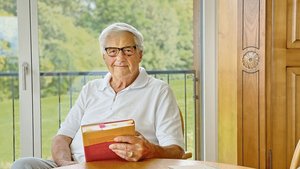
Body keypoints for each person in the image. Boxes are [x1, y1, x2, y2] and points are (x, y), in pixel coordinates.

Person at [11, 22, 184, 169]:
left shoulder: (159, 91)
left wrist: (150, 150)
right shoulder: (91, 89)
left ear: (140, 54)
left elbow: (177, 151)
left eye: (128, 50)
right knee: (24, 164)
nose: (120, 58)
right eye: (112, 51)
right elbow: (62, 138)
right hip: (75, 165)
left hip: (124, 167)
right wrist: (67, 164)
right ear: (104, 56)